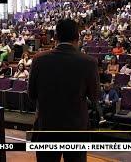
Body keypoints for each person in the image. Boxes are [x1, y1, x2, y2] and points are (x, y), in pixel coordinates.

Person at [28, 19, 101, 162]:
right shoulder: (89, 62)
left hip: (46, 127)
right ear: (77, 37)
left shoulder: (38, 59)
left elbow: (31, 95)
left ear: (55, 37)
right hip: (76, 129)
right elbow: (95, 96)